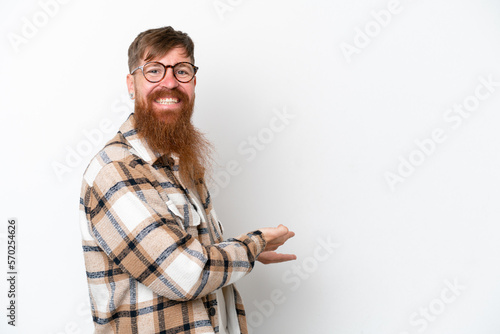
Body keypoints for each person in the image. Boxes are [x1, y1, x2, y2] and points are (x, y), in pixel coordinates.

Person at [79, 26, 296, 334]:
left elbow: (199, 260)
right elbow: (185, 273)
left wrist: (247, 251)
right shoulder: (116, 171)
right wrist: (252, 245)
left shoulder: (182, 166)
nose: (170, 83)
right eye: (154, 70)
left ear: (194, 82)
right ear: (132, 83)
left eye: (181, 71)